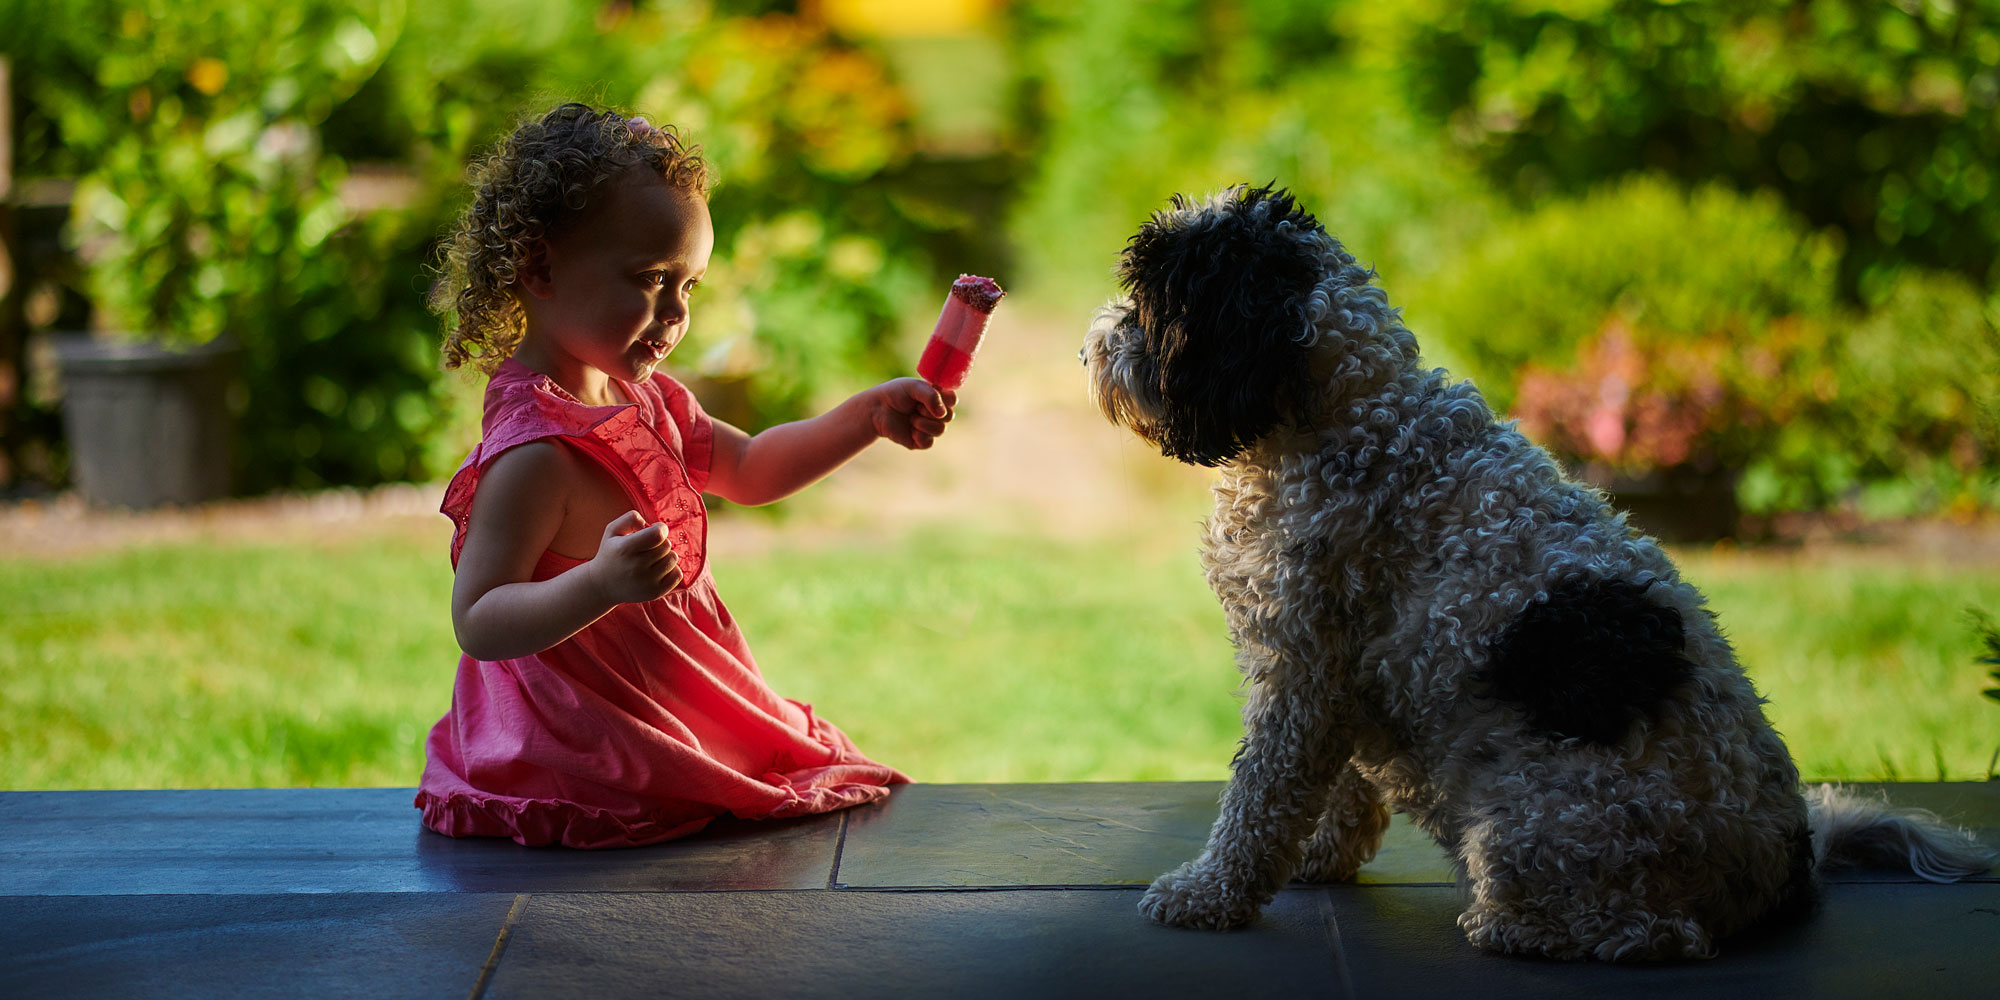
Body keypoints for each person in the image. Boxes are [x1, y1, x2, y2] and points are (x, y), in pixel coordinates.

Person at [415, 102, 953, 848]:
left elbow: (752, 466)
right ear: (539, 267)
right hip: (585, 738)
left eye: (689, 286)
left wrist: (862, 418)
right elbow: (478, 619)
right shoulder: (536, 452)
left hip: (675, 697)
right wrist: (597, 585)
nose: (674, 313)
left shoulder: (646, 399)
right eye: (649, 279)